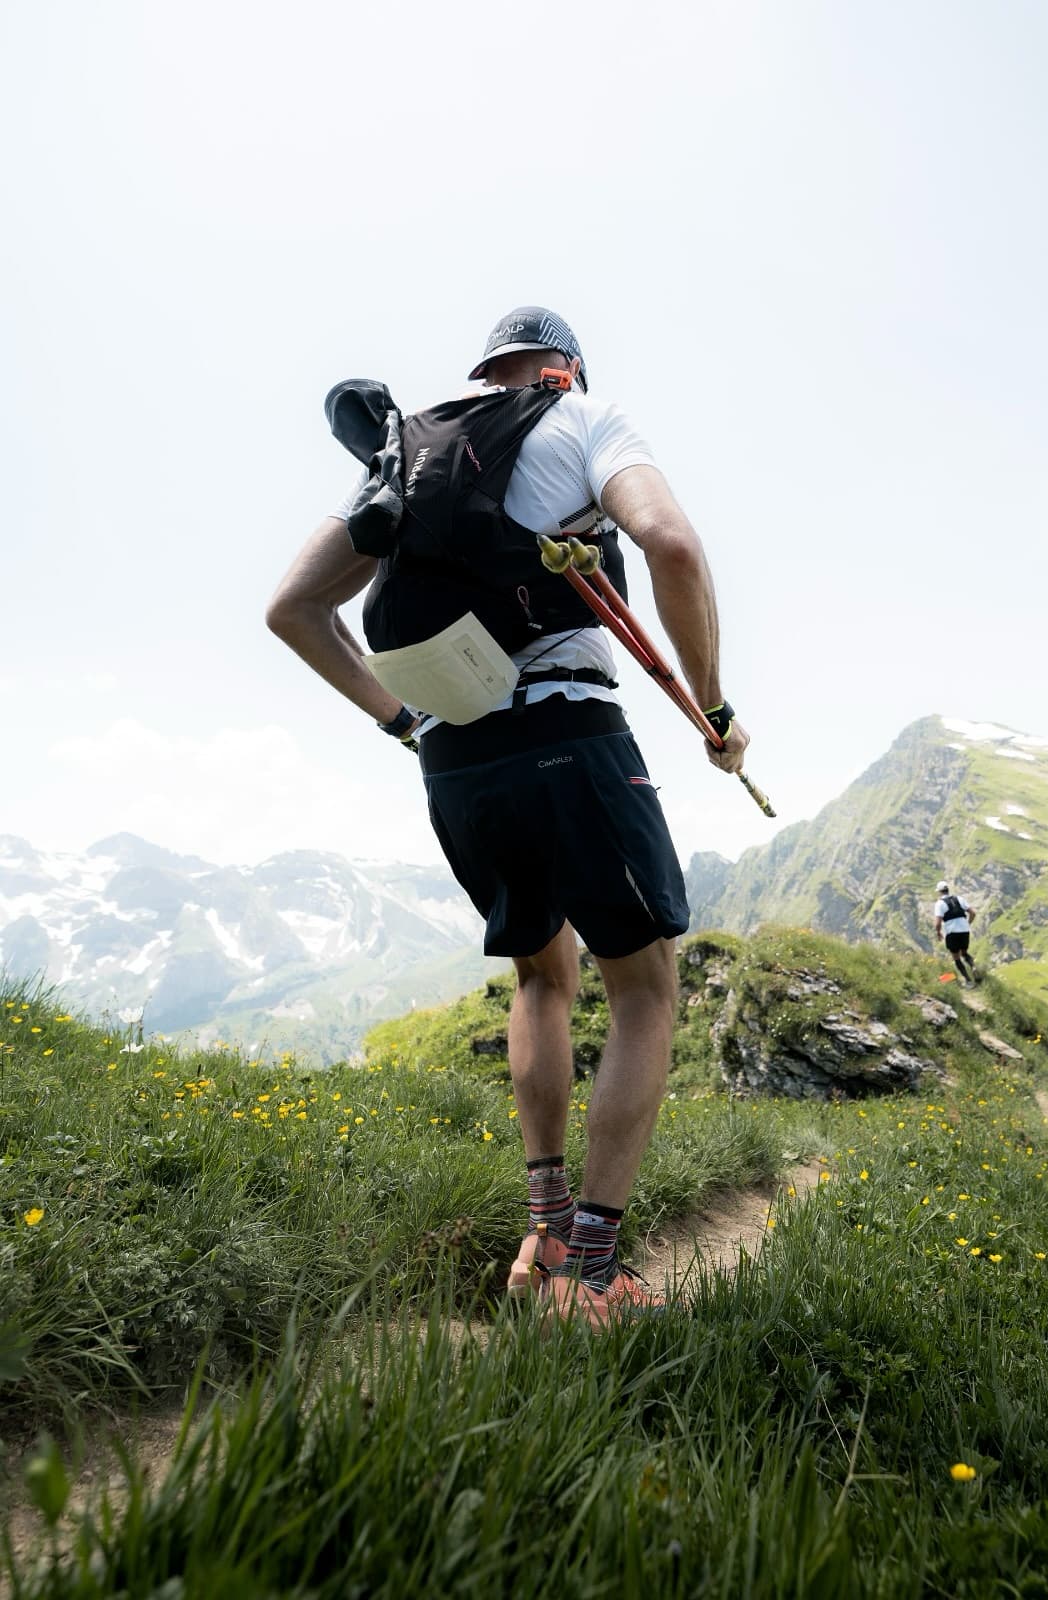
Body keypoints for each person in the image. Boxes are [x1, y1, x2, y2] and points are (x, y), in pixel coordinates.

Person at [266, 306, 750, 1327]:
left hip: (455, 762)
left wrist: (405, 724)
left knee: (540, 972)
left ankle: (542, 1226)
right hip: (569, 739)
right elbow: (667, 541)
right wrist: (711, 707)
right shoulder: (580, 420)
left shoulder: (406, 455)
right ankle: (592, 1269)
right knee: (644, 986)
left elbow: (293, 610)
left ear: (486, 374)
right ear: (563, 370)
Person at [933, 882, 978, 984]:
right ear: (948, 890)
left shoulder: (939, 903)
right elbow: (973, 913)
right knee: (964, 953)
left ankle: (968, 980)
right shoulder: (959, 899)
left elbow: (937, 922)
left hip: (952, 932)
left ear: (939, 892)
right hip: (964, 931)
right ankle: (973, 966)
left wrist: (938, 932)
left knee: (956, 957)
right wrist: (968, 923)